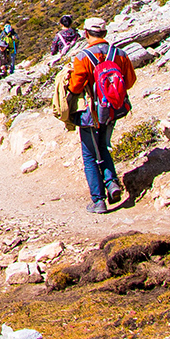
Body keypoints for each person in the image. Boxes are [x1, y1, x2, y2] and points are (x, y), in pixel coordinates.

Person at [67, 17, 136, 213]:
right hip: (113, 109)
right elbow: (129, 81)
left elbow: (75, 87)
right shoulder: (119, 54)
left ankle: (98, 200)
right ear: (105, 33)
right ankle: (111, 183)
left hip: (91, 112)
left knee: (90, 155)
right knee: (104, 146)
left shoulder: (83, 57)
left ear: (86, 33)